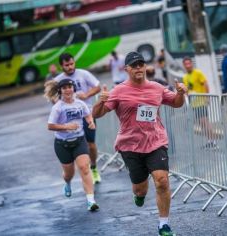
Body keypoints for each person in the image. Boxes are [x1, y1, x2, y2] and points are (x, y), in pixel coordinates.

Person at [93, 51, 187, 236]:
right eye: (134, 65)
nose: (138, 68)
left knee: (162, 182)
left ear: (145, 67)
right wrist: (99, 102)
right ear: (126, 69)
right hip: (130, 145)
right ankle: (139, 195)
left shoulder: (156, 87)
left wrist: (180, 93)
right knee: (140, 189)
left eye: (141, 64)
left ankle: (164, 225)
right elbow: (98, 114)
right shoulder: (119, 90)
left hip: (155, 141)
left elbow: (176, 103)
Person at [46, 78, 99, 212]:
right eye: (64, 88)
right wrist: (65, 126)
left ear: (74, 89)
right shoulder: (58, 107)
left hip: (79, 141)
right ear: (60, 91)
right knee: (69, 173)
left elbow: (88, 115)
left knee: (84, 168)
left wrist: (91, 122)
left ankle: (91, 201)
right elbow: (50, 126)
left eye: (70, 87)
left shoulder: (81, 104)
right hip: (62, 144)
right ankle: (67, 183)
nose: (68, 90)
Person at [53, 53, 102, 184]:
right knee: (75, 145)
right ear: (61, 66)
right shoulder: (58, 80)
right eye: (66, 65)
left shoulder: (83, 74)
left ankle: (94, 168)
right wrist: (65, 99)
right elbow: (53, 99)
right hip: (68, 120)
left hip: (86, 114)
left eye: (71, 63)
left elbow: (97, 86)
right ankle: (78, 170)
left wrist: (86, 95)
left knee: (91, 144)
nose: (70, 67)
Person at [182, 56, 218, 148]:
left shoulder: (198, 73)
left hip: (201, 101)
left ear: (192, 64)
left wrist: (207, 98)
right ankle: (210, 141)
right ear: (184, 66)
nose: (188, 65)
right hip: (193, 104)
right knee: (201, 124)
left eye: (189, 63)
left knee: (205, 122)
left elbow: (205, 84)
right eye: (186, 64)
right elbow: (187, 90)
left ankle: (213, 141)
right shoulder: (185, 77)